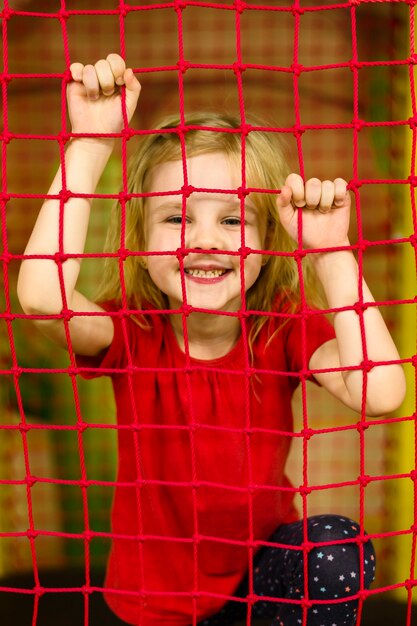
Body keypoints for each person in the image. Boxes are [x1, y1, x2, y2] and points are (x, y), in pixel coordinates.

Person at [17, 54, 406, 626]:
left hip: (263, 585)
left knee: (334, 552)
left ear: (268, 236)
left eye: (232, 220)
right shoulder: (135, 332)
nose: (204, 242)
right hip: (155, 598)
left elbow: (383, 392)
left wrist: (331, 252)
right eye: (176, 219)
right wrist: (92, 141)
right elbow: (43, 297)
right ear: (140, 241)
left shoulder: (281, 326)